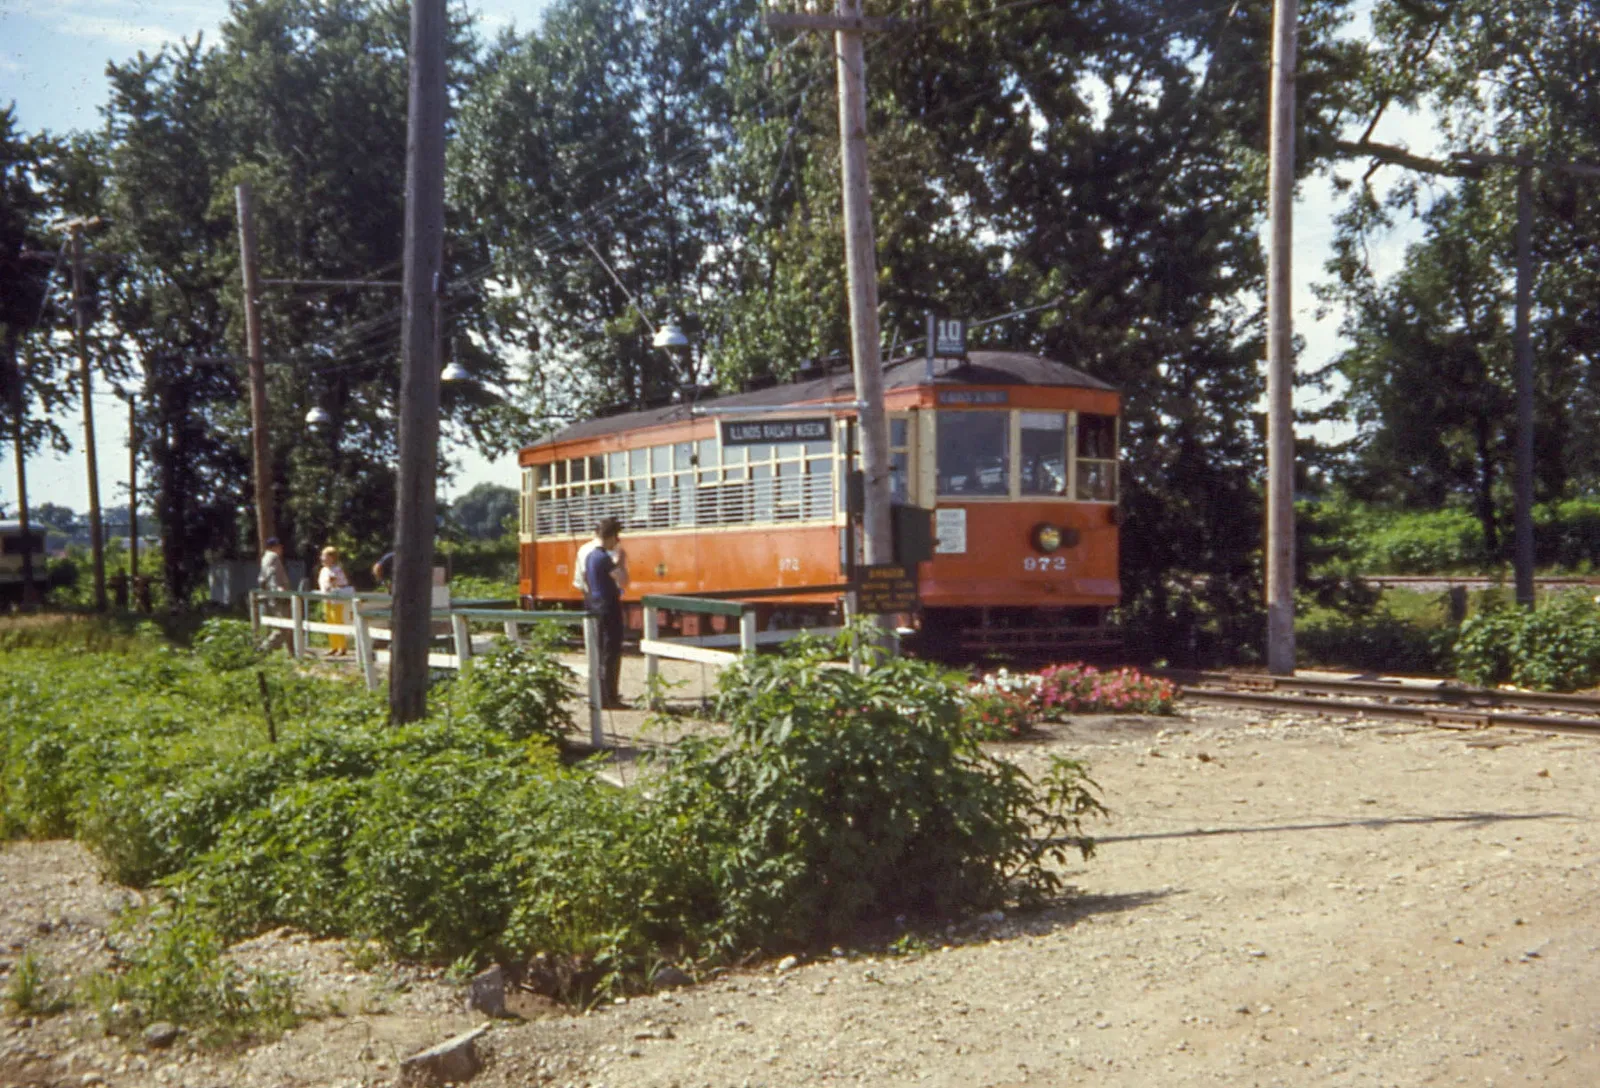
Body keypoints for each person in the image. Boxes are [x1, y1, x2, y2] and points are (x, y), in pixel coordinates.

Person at [582, 517, 627, 709]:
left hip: (594, 605)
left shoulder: (589, 556)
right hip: (609, 606)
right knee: (612, 651)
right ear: (610, 537)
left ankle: (600, 692)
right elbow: (623, 581)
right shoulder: (604, 558)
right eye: (617, 537)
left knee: (599, 651)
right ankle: (610, 696)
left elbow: (585, 579)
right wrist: (621, 562)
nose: (618, 541)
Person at [318, 545, 353, 656]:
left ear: (332, 558)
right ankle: (333, 646)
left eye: (325, 556)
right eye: (322, 556)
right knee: (329, 622)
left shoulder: (336, 569)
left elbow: (341, 583)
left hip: (336, 599)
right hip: (326, 599)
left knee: (337, 621)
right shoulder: (323, 570)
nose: (322, 558)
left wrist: (334, 584)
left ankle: (342, 647)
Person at [258, 536, 290, 650]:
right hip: (276, 596)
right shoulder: (273, 557)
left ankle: (290, 651)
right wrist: (278, 590)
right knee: (284, 625)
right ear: (276, 547)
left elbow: (262, 578)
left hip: (269, 595)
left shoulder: (264, 558)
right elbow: (272, 575)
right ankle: (264, 648)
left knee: (278, 625)